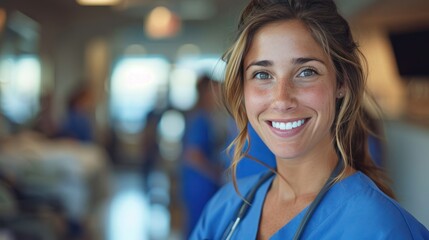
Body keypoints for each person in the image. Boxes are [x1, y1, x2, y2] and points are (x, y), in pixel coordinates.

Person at [191, 0, 429, 239]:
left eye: (306, 72)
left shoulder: (381, 228)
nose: (282, 99)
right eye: (262, 74)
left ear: (342, 82)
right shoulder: (227, 207)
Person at [180, 75, 226, 238]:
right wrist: (216, 173)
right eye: (217, 92)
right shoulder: (200, 119)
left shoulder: (204, 116)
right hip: (200, 184)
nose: (220, 96)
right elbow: (192, 155)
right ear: (207, 93)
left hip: (200, 183)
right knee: (198, 227)